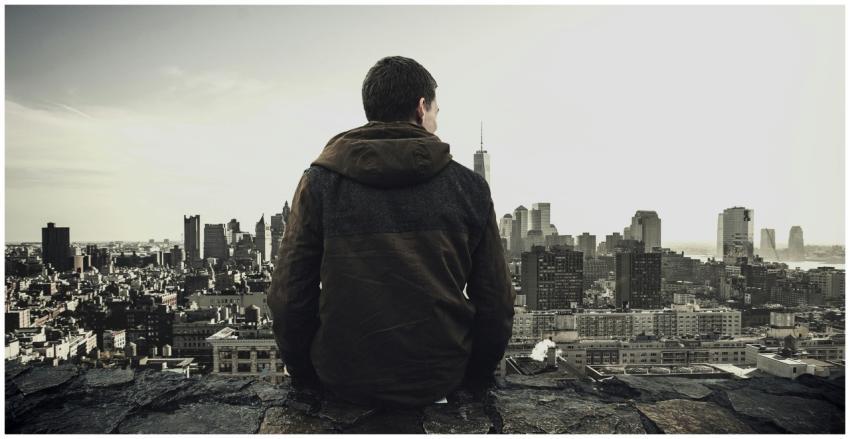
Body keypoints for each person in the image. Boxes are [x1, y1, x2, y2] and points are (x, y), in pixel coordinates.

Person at [267, 56, 515, 408]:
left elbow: (288, 297)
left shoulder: (319, 182)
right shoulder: (469, 187)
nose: (435, 121)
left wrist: (306, 376)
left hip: (342, 377)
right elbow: (497, 303)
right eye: (436, 111)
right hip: (439, 379)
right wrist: (475, 379)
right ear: (420, 108)